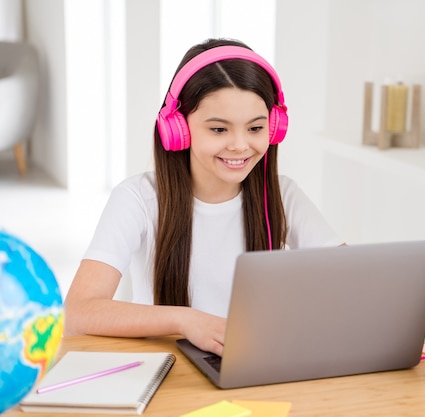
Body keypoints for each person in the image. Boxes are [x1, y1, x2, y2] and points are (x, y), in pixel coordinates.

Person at [64, 38, 343, 356]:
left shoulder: (283, 195)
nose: (240, 145)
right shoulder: (137, 199)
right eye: (219, 130)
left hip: (254, 361)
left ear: (274, 127)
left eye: (255, 128)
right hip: (167, 369)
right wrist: (186, 321)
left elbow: (352, 282)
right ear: (177, 128)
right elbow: (77, 313)